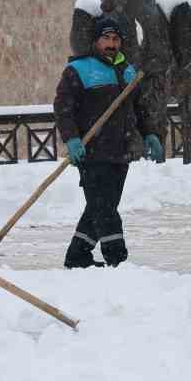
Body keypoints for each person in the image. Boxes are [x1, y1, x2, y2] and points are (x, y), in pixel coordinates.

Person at [54, 16, 161, 268]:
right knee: (105, 209)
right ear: (95, 41)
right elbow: (63, 108)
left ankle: (77, 255)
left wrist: (149, 133)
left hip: (119, 151)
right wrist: (72, 139)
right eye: (106, 39)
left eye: (115, 39)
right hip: (91, 152)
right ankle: (118, 260)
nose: (111, 44)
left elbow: (139, 107)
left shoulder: (127, 71)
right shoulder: (79, 70)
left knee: (102, 206)